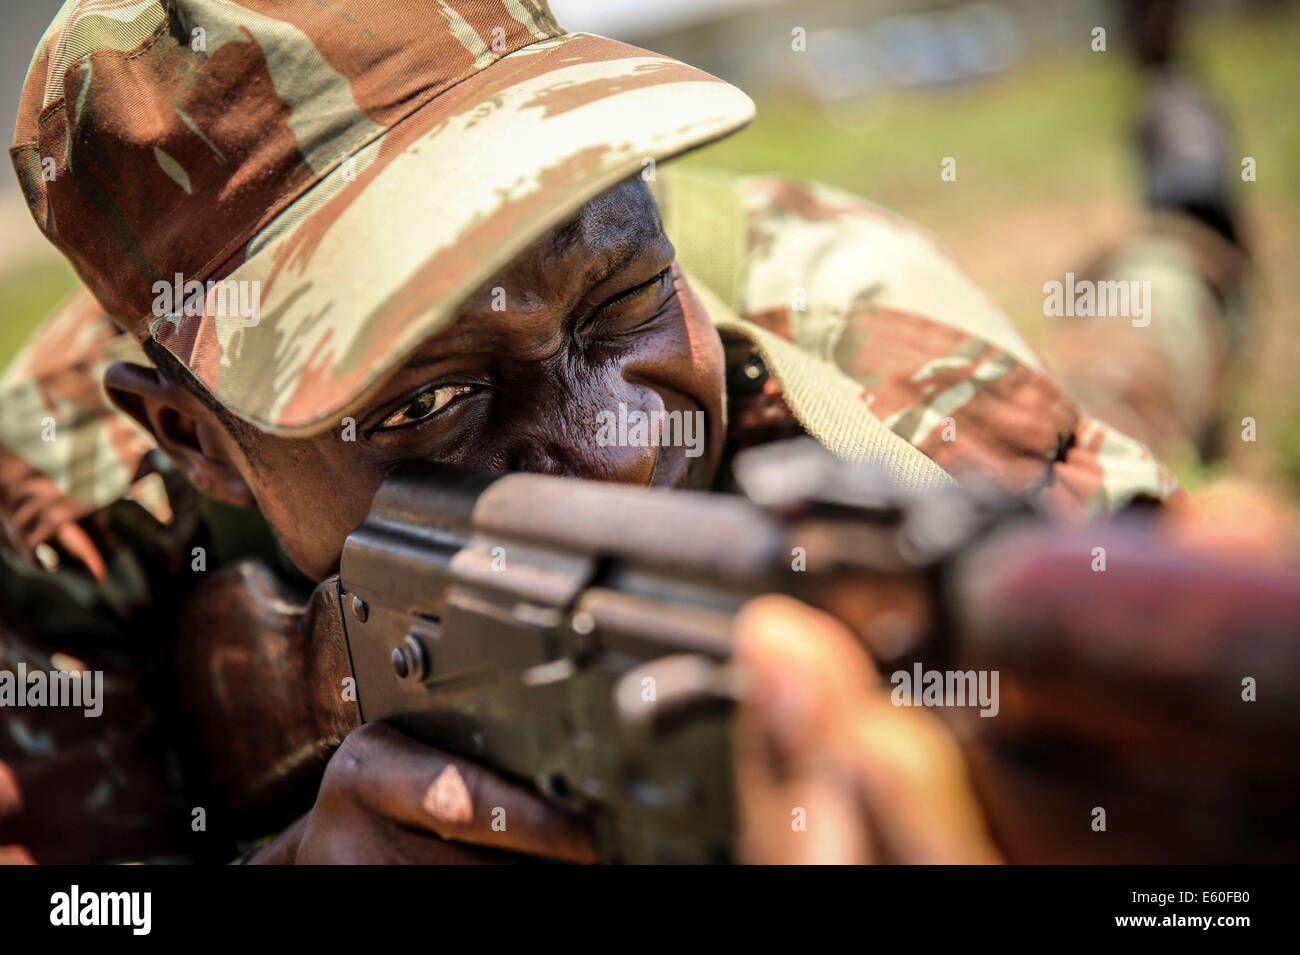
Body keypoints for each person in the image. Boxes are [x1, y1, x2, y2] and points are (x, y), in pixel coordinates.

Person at [0, 0, 1257, 864]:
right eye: (424, 404)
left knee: (1138, 338)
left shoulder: (896, 378)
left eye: (620, 301)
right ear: (196, 439)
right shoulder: (61, 503)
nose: (608, 442)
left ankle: (1189, 214)